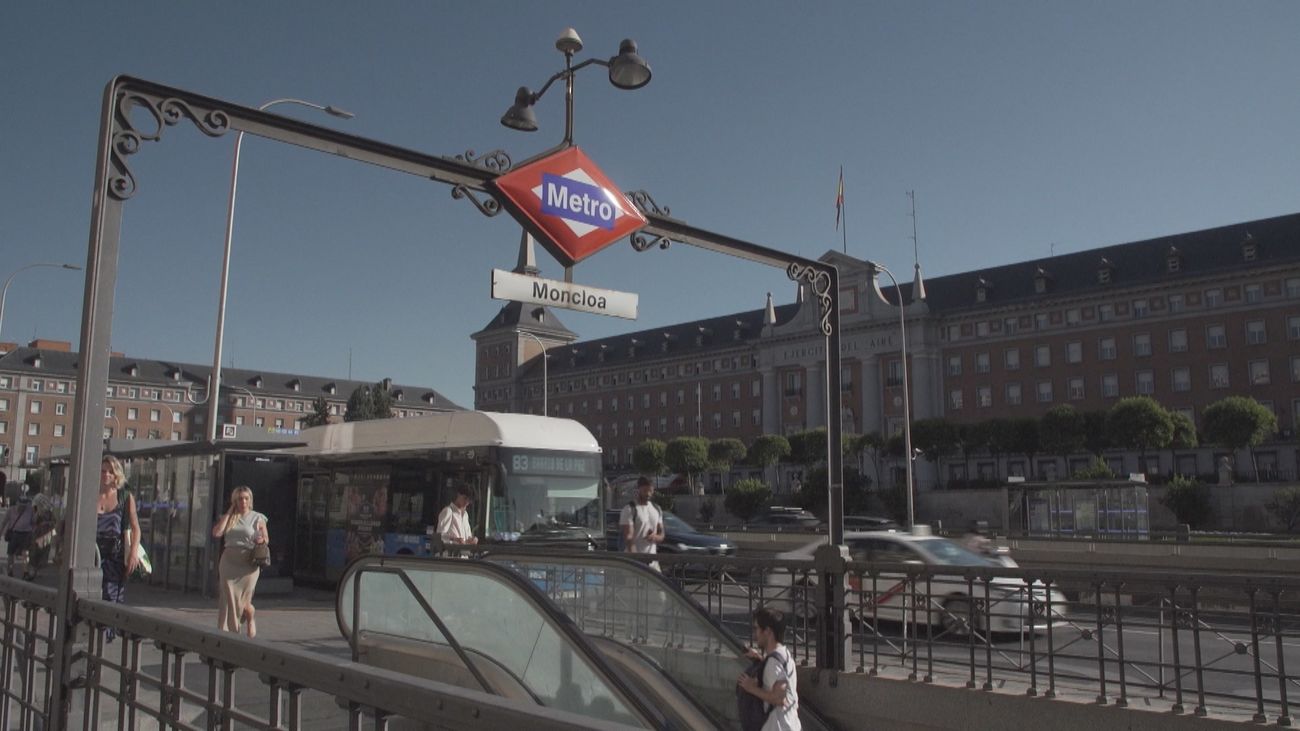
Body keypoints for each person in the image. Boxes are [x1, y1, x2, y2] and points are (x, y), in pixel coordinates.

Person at [212, 486, 269, 638]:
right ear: (235, 501)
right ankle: (229, 634)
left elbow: (266, 538)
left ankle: (250, 615)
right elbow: (217, 533)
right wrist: (229, 512)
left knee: (242, 601)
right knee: (227, 598)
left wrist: (261, 539)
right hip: (229, 561)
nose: (243, 502)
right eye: (239, 499)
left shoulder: (258, 517)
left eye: (246, 498)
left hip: (248, 563)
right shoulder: (229, 517)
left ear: (250, 500)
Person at [736, 606, 800, 731]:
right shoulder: (784, 654)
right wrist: (761, 659)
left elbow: (779, 698)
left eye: (757, 628)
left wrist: (751, 688)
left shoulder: (773, 662)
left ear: (768, 631)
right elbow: (777, 673)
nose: (755, 634)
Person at [98, 456, 141, 611]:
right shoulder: (91, 494)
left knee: (111, 601)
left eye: (110, 471)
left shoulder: (124, 496)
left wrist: (133, 553)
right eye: (103, 471)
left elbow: (136, 528)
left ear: (117, 474)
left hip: (114, 557)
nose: (106, 475)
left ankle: (107, 627)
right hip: (93, 554)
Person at [619, 476, 664, 568]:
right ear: (638, 490)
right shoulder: (629, 509)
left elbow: (662, 534)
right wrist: (638, 560)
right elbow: (629, 538)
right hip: (634, 564)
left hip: (653, 563)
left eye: (650, 491)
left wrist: (655, 537)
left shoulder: (657, 509)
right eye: (645, 491)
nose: (648, 494)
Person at [2, 492, 35, 578]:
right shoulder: (11, 510)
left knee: (25, 553)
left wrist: (32, 533)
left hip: (26, 534)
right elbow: (4, 522)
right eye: (21, 504)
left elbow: (33, 522)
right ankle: (10, 571)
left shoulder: (30, 510)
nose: (23, 506)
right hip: (14, 534)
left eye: (24, 504)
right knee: (11, 553)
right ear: (17, 502)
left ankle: (25, 572)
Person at [436, 484, 478, 548]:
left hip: (463, 553)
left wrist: (471, 540)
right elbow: (439, 535)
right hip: (450, 553)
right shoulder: (448, 511)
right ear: (458, 495)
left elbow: (467, 537)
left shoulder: (465, 515)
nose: (466, 502)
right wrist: (454, 539)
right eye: (465, 498)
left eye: (469, 500)